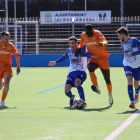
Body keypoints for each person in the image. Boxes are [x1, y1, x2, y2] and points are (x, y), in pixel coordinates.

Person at [49, 36, 95, 107]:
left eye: (73, 43)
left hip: (81, 72)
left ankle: (83, 101)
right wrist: (55, 62)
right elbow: (64, 56)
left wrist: (92, 56)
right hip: (71, 73)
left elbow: (86, 54)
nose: (71, 45)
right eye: (70, 43)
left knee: (77, 82)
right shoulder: (69, 50)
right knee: (66, 90)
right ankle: (71, 97)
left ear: (77, 43)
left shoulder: (81, 50)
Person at [75, 24, 113, 106]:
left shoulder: (97, 33)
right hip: (93, 58)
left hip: (103, 58)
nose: (88, 34)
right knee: (90, 67)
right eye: (87, 32)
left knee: (107, 80)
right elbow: (81, 45)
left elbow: (105, 42)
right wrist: (78, 49)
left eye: (90, 32)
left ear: (93, 30)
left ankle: (110, 94)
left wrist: (102, 43)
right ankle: (96, 87)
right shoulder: (83, 35)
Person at [116, 26, 140, 109]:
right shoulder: (122, 42)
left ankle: (136, 93)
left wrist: (132, 54)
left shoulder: (134, 40)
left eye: (119, 36)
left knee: (136, 84)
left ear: (123, 35)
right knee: (129, 80)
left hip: (137, 66)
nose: (118, 38)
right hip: (127, 65)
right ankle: (132, 101)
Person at [0, 31, 20, 107]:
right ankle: (2, 81)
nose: (7, 41)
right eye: (6, 39)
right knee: (0, 87)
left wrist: (18, 67)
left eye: (8, 39)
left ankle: (2, 101)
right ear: (1, 38)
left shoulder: (10, 46)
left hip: (7, 67)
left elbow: (17, 56)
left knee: (7, 82)